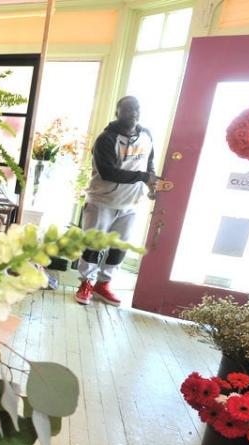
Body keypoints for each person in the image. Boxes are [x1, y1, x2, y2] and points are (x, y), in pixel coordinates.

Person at [75, 95, 158, 306]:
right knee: (93, 245)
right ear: (117, 112)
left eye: (137, 109)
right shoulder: (106, 139)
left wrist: (151, 182)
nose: (133, 113)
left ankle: (103, 284)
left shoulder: (147, 135)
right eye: (128, 109)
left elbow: (149, 163)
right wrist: (142, 177)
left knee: (120, 246)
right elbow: (108, 172)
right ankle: (86, 283)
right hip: (102, 201)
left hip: (131, 203)